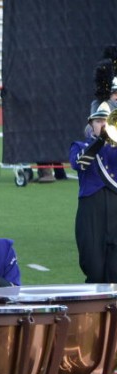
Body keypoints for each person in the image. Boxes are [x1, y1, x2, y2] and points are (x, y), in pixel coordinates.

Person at [70, 64, 117, 283]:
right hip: (91, 212)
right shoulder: (79, 145)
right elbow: (80, 164)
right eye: (99, 121)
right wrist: (100, 140)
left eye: (107, 121)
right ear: (91, 123)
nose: (103, 125)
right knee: (95, 269)